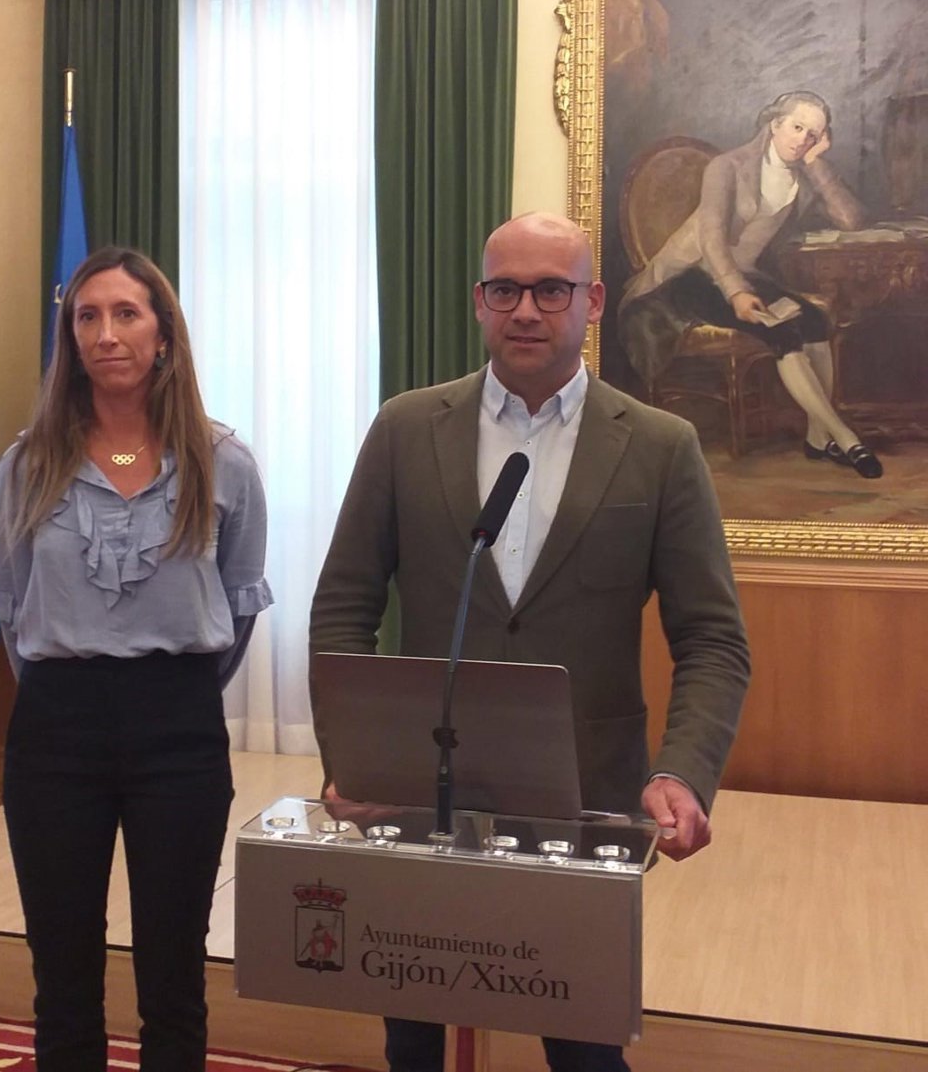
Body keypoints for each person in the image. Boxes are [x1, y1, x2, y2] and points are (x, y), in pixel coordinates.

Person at [309, 212, 750, 1072]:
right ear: (479, 301)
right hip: (421, 801)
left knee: (586, 1053)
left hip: (588, 801)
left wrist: (683, 771)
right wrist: (355, 758)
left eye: (551, 290)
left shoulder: (661, 446)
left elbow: (712, 638)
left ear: (593, 301)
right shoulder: (405, 428)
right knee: (414, 1047)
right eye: (505, 289)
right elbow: (342, 607)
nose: (525, 310)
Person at [0, 246, 272, 1072]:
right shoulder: (28, 463)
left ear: (163, 334)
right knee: (62, 969)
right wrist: (78, 681)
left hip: (177, 728)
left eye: (126, 313)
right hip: (55, 731)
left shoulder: (225, 462)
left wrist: (166, 683)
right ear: (70, 339)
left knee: (174, 970)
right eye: (87, 316)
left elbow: (236, 602)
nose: (106, 333)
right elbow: (15, 605)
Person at [619, 90, 883, 478]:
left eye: (813, 134)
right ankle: (845, 436)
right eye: (797, 127)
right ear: (775, 124)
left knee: (814, 322)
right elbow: (711, 238)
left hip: (740, 273)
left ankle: (817, 437)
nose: (803, 139)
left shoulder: (801, 174)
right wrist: (737, 292)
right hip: (687, 277)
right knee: (781, 331)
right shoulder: (727, 166)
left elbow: (851, 219)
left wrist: (816, 163)